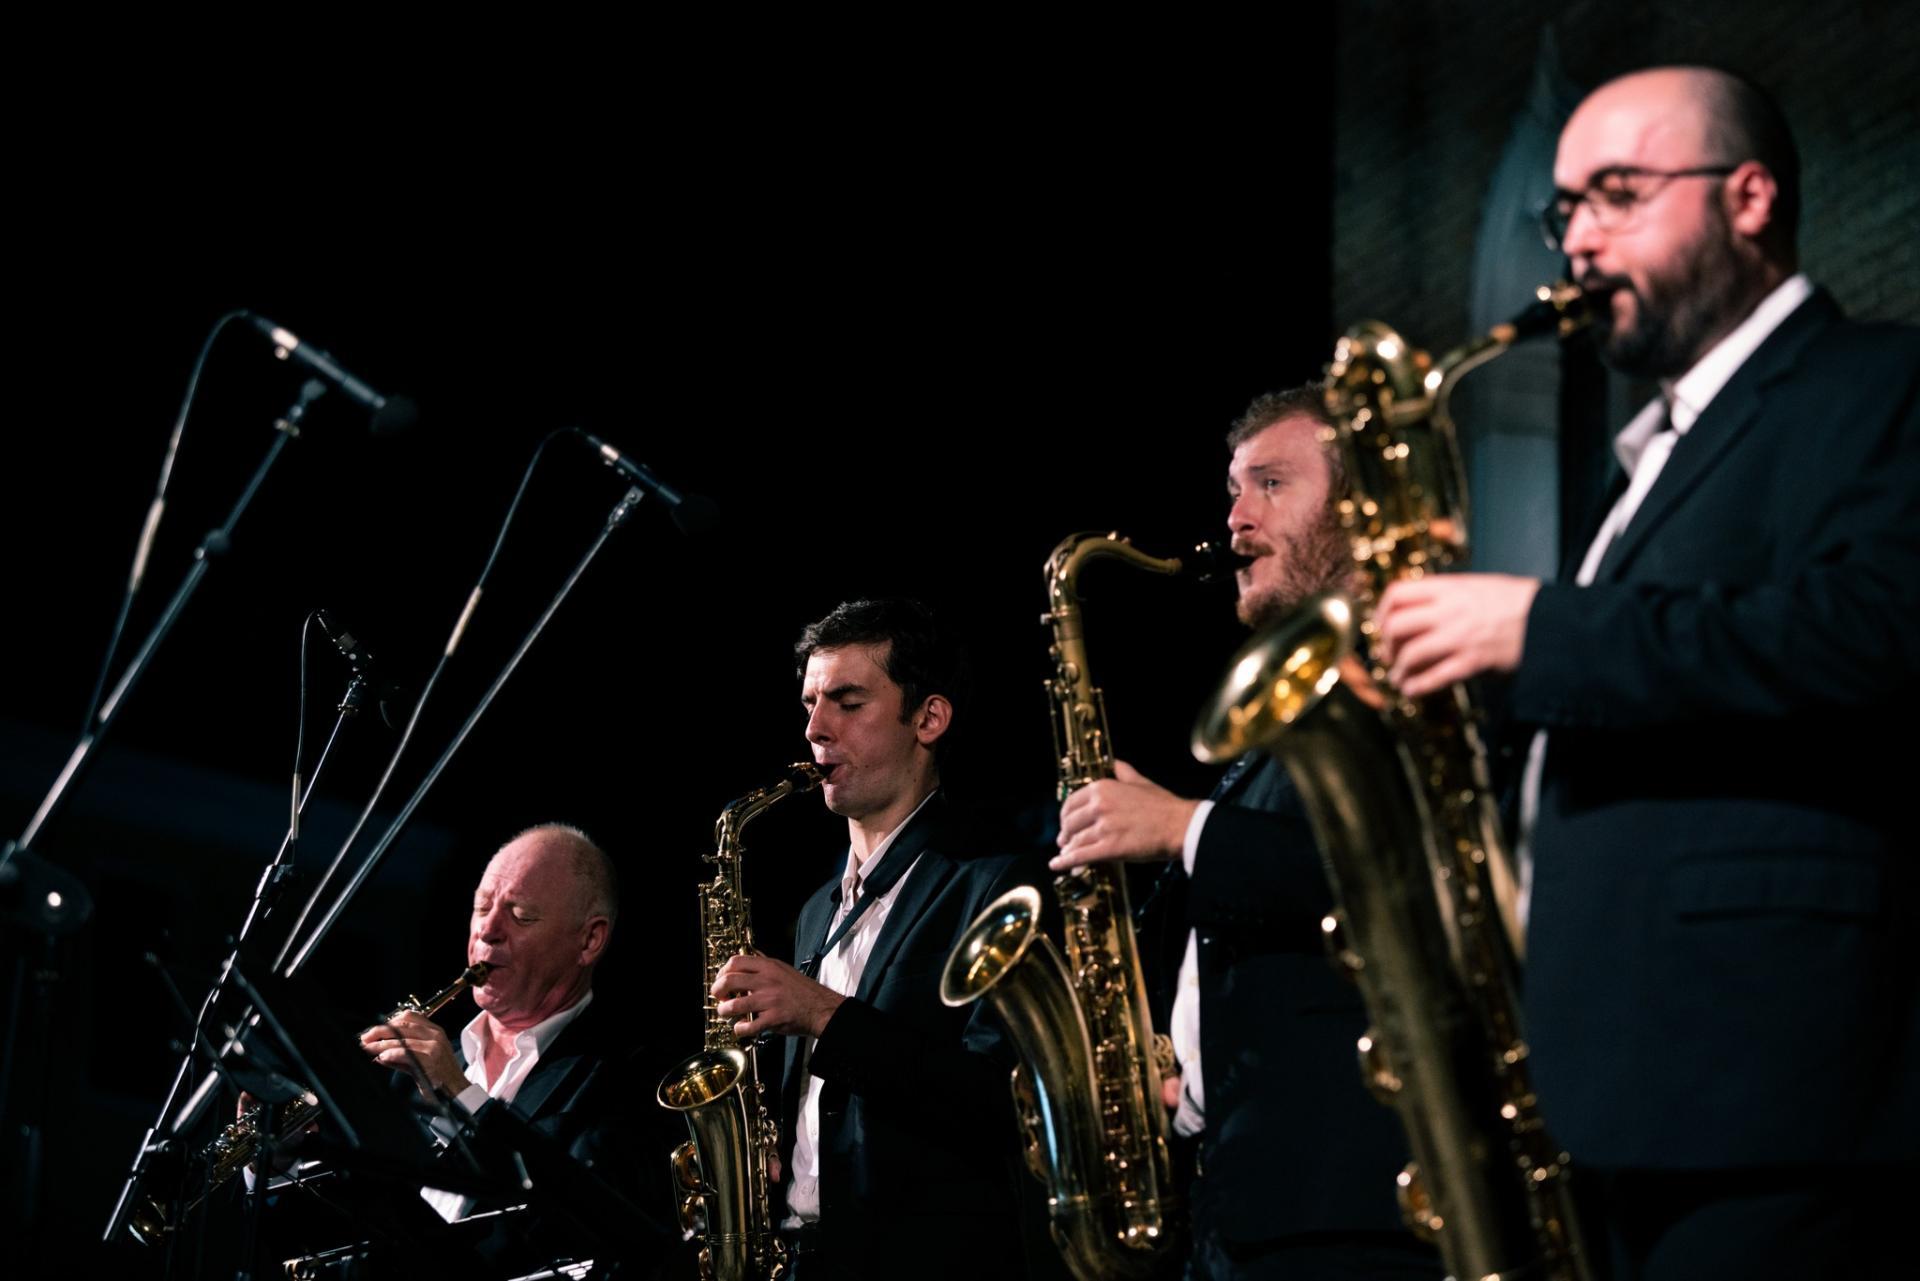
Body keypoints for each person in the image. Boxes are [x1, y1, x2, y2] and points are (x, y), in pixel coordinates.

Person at [1373, 65, 1918, 1279]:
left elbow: (1872, 632)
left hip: (1772, 1085)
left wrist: (1542, 632)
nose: (1577, 239)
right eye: (1563, 210)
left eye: (1617, 193)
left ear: (1751, 196)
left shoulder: (1883, 384)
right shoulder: (1654, 455)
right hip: (1620, 1083)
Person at [1049, 389, 1440, 1280]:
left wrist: (1187, 828)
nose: (1235, 518)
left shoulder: (1413, 666)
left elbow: (1402, 876)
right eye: (1233, 487)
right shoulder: (1287, 706)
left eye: (1271, 483)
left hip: (1355, 1202)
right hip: (1243, 1196)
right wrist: (1188, 1079)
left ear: (1362, 503)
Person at [710, 598, 1039, 1279]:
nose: (815, 728)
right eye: (809, 702)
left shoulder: (994, 880)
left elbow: (1002, 1096)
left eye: (848, 702)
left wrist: (824, 1014)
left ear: (929, 718)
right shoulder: (814, 911)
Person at [360, 822, 671, 1267]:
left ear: (589, 940)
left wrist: (459, 1098)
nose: (487, 931)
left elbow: (588, 1218)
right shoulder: (408, 1071)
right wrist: (280, 1161)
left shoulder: (630, 1076)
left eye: (521, 915)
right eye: (481, 907)